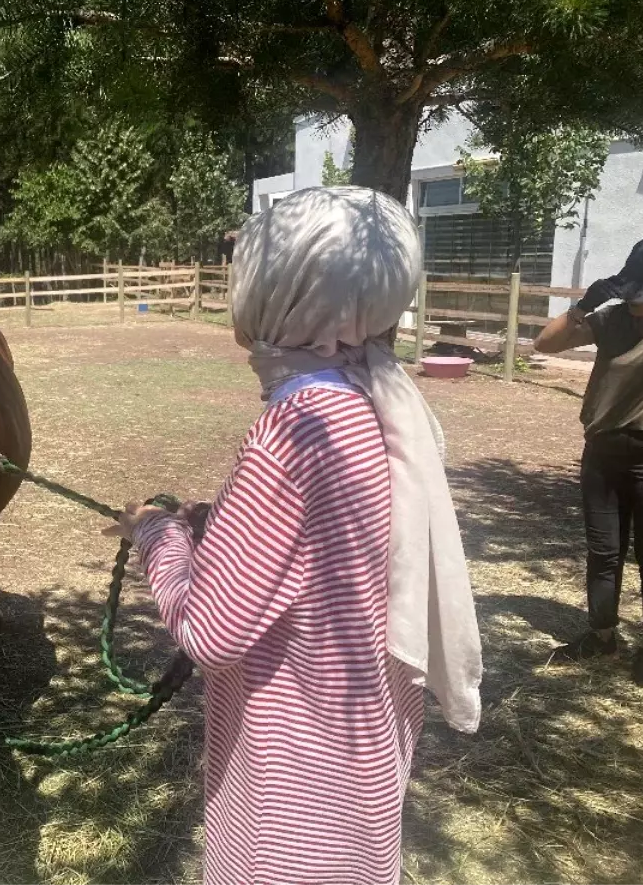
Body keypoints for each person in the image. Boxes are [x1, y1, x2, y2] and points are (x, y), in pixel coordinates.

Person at [104, 187, 483, 885]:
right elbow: (323, 545)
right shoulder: (369, 398)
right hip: (357, 759)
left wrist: (155, 532)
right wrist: (213, 523)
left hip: (298, 782)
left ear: (286, 292)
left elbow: (210, 632)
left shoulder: (297, 427)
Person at [535, 237, 643, 684]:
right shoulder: (612, 319)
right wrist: (584, 305)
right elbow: (544, 345)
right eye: (634, 290)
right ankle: (601, 636)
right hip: (601, 451)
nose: (638, 302)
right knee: (603, 552)